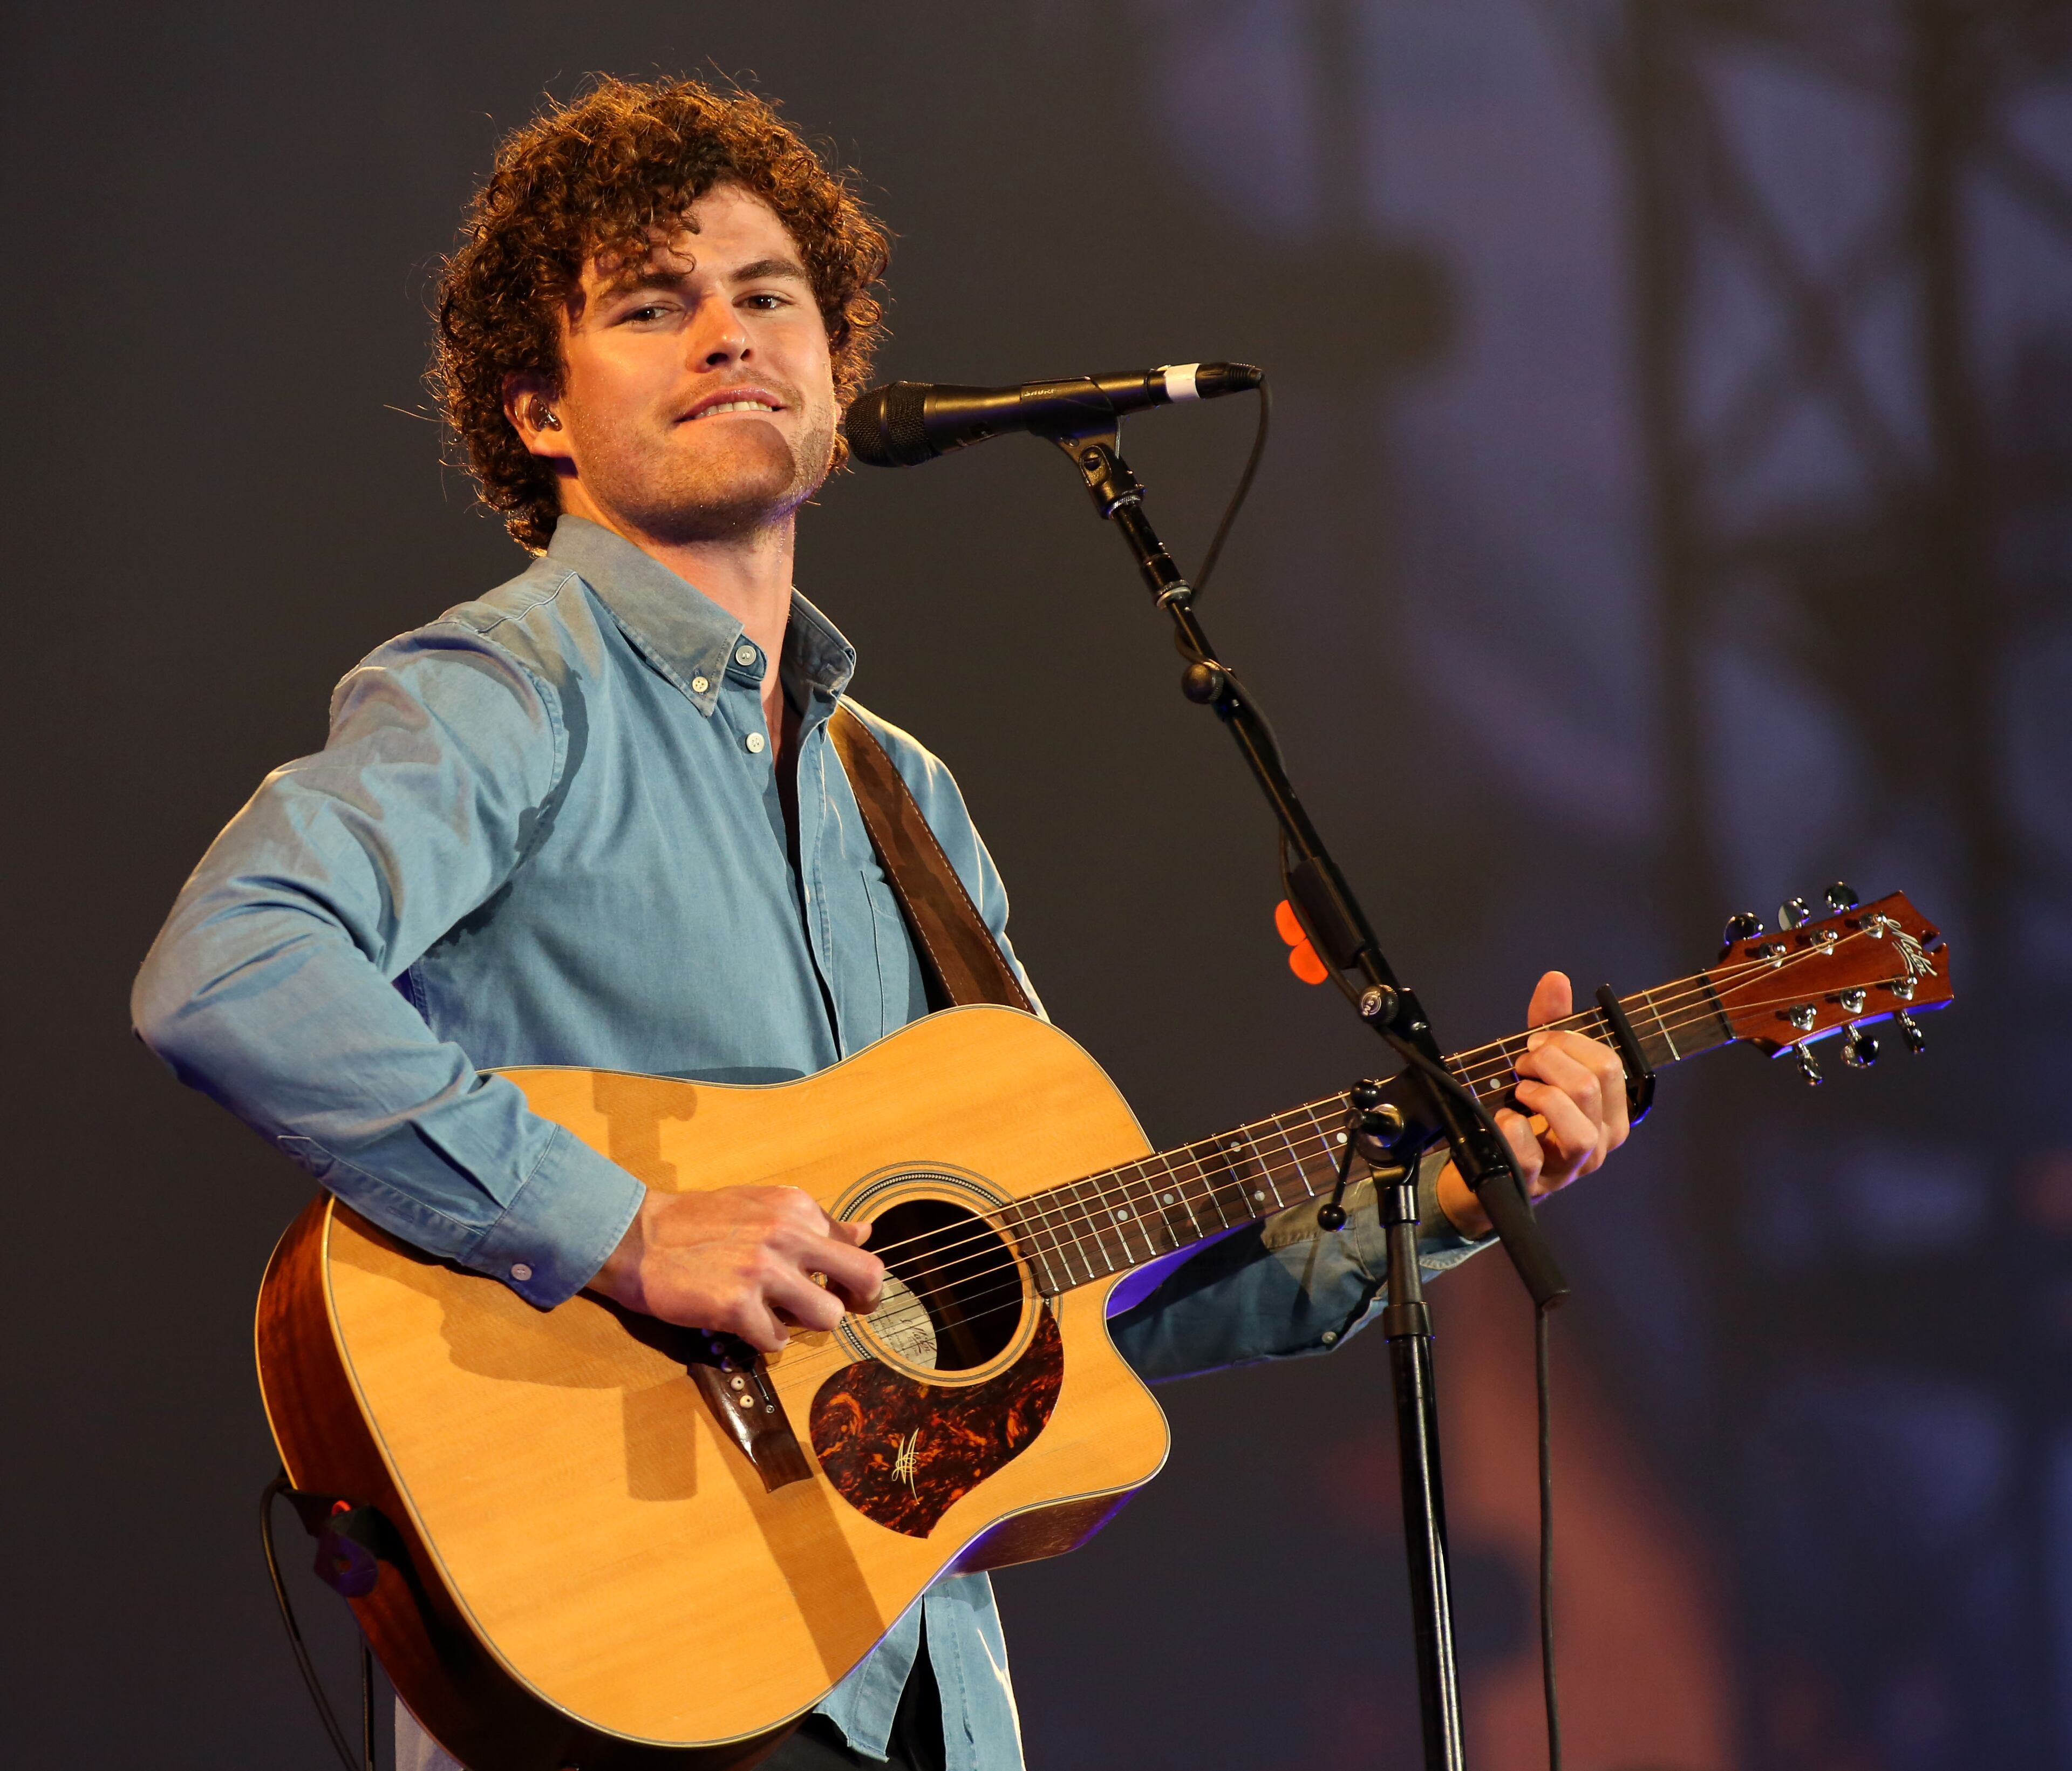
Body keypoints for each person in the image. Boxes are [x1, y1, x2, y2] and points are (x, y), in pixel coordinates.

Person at [131, 76, 1631, 1771]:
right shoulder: (510, 688)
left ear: (838, 374)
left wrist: (1435, 1189)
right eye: (653, 302)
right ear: (539, 409)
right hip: (629, 1641)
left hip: (911, 1673)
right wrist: (624, 1225)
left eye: (771, 295)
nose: (729, 333)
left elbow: (1077, 1291)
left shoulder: (899, 794)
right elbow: (230, 963)